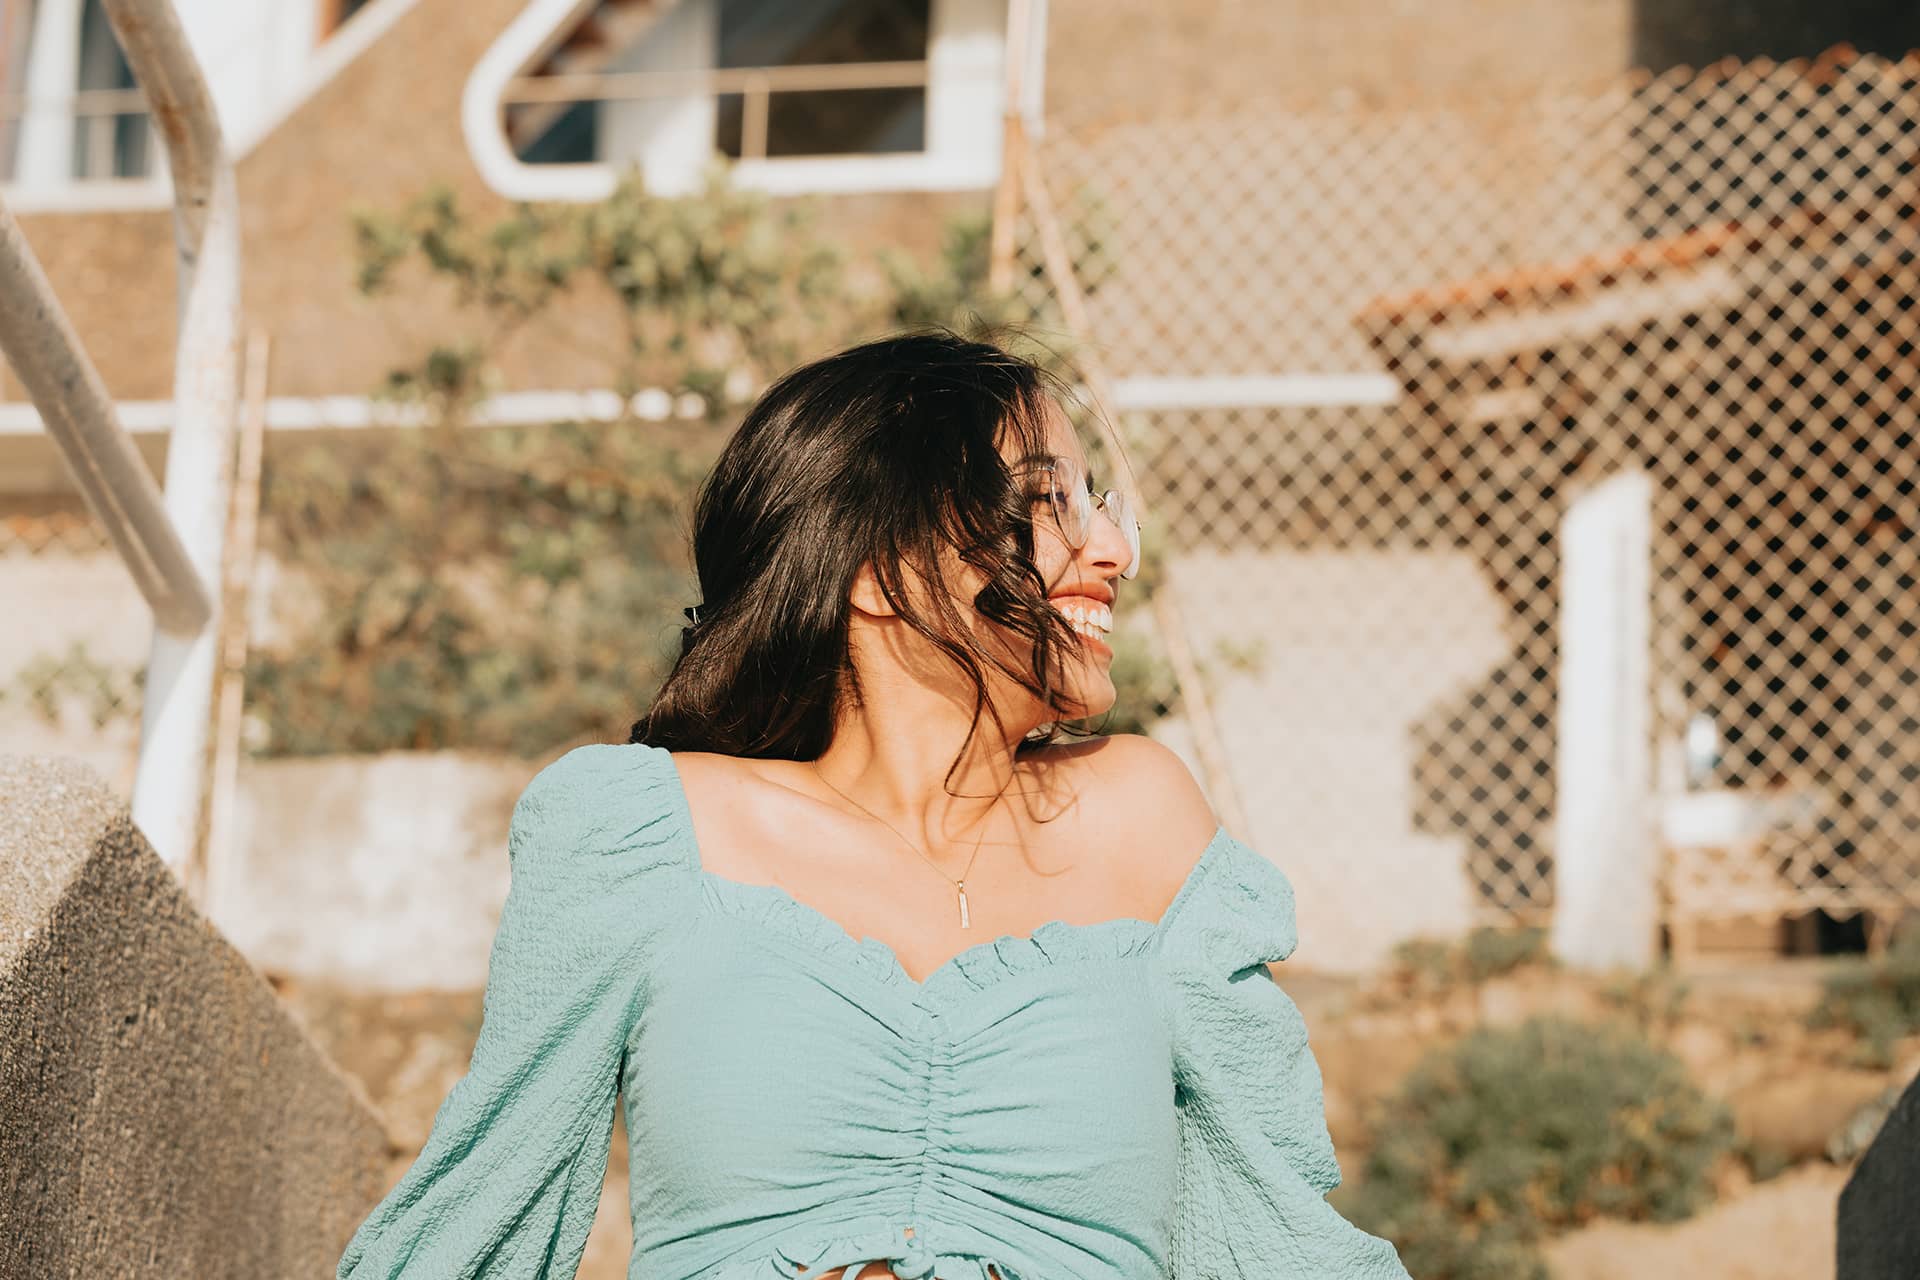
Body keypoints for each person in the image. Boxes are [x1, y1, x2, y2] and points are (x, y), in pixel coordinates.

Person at [335, 330, 1409, 1279]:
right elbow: (482, 1220)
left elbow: (1274, 1237)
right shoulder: (642, 831)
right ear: (879, 564)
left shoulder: (1143, 822)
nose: (1114, 548)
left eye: (1100, 503)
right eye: (1050, 501)